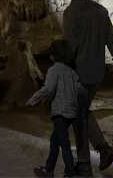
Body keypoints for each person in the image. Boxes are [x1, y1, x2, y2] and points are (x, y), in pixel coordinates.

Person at [61, 0, 113, 174]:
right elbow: (111, 39)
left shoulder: (71, 13)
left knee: (78, 114)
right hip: (97, 74)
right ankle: (86, 161)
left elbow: (69, 47)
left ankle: (97, 152)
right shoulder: (100, 10)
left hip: (78, 73)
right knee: (80, 114)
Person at [27, 39, 85, 178]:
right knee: (55, 140)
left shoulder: (53, 70)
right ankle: (49, 169)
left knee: (64, 144)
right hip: (71, 113)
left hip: (60, 113)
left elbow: (47, 89)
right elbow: (80, 90)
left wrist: (32, 100)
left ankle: (70, 173)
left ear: (54, 56)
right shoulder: (71, 72)